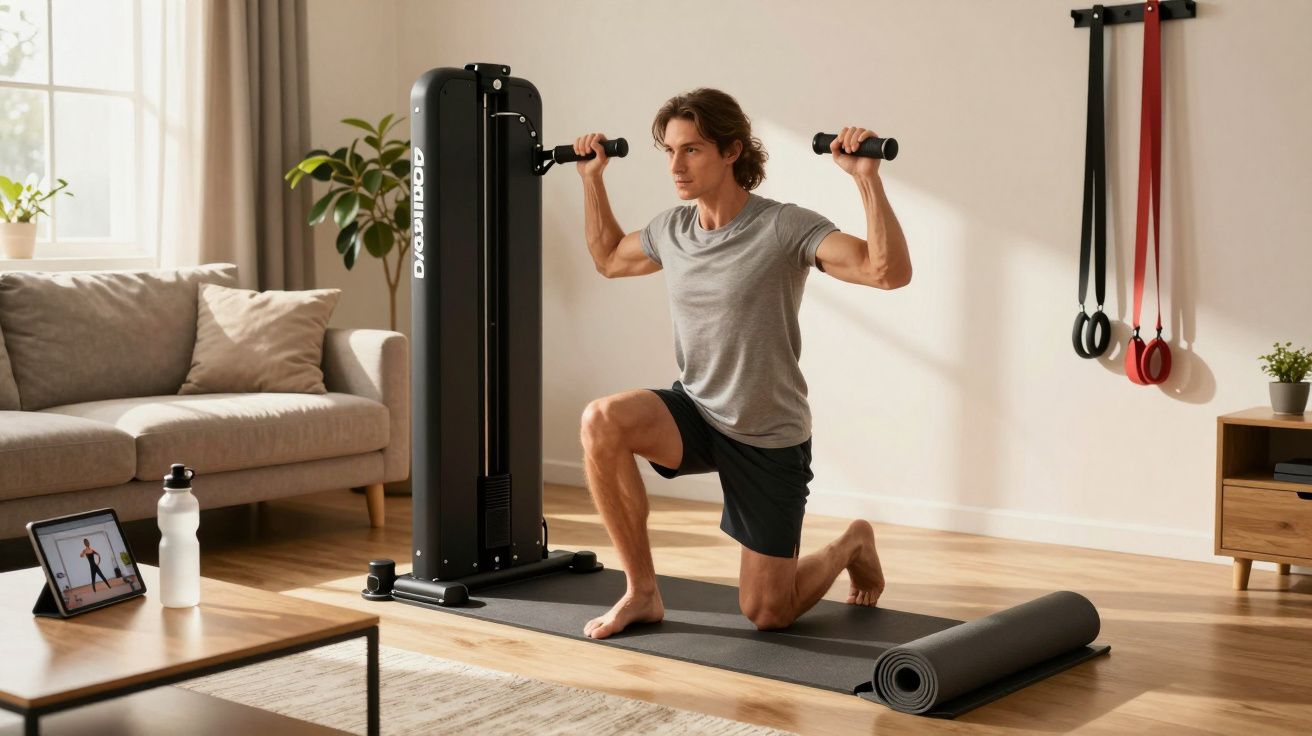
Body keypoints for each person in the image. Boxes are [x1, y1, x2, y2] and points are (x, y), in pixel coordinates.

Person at [575, 88, 911, 639]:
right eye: (670, 151)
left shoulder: (782, 226)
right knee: (601, 420)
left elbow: (886, 272)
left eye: (693, 150)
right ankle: (641, 592)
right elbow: (610, 257)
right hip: (697, 412)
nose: (676, 166)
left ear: (732, 152)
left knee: (768, 612)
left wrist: (865, 178)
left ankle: (851, 541)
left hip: (767, 434)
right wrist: (592, 179)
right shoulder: (673, 230)